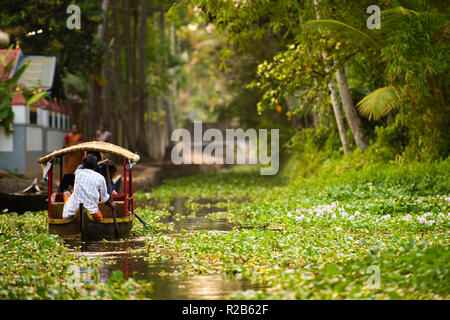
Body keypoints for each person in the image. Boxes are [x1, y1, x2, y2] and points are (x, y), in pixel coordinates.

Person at [62, 153, 116, 221]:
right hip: (93, 213)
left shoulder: (78, 172)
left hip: (73, 211)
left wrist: (101, 163)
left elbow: (80, 166)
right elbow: (104, 199)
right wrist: (112, 206)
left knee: (66, 194)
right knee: (100, 219)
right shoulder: (100, 178)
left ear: (84, 164)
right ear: (95, 165)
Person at [58, 124, 84, 192]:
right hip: (69, 156)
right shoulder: (67, 136)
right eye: (73, 128)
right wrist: (69, 148)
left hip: (77, 155)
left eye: (75, 128)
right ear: (71, 129)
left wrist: (76, 147)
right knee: (69, 170)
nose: (74, 129)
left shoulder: (79, 136)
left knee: (77, 169)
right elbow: (64, 144)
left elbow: (81, 144)